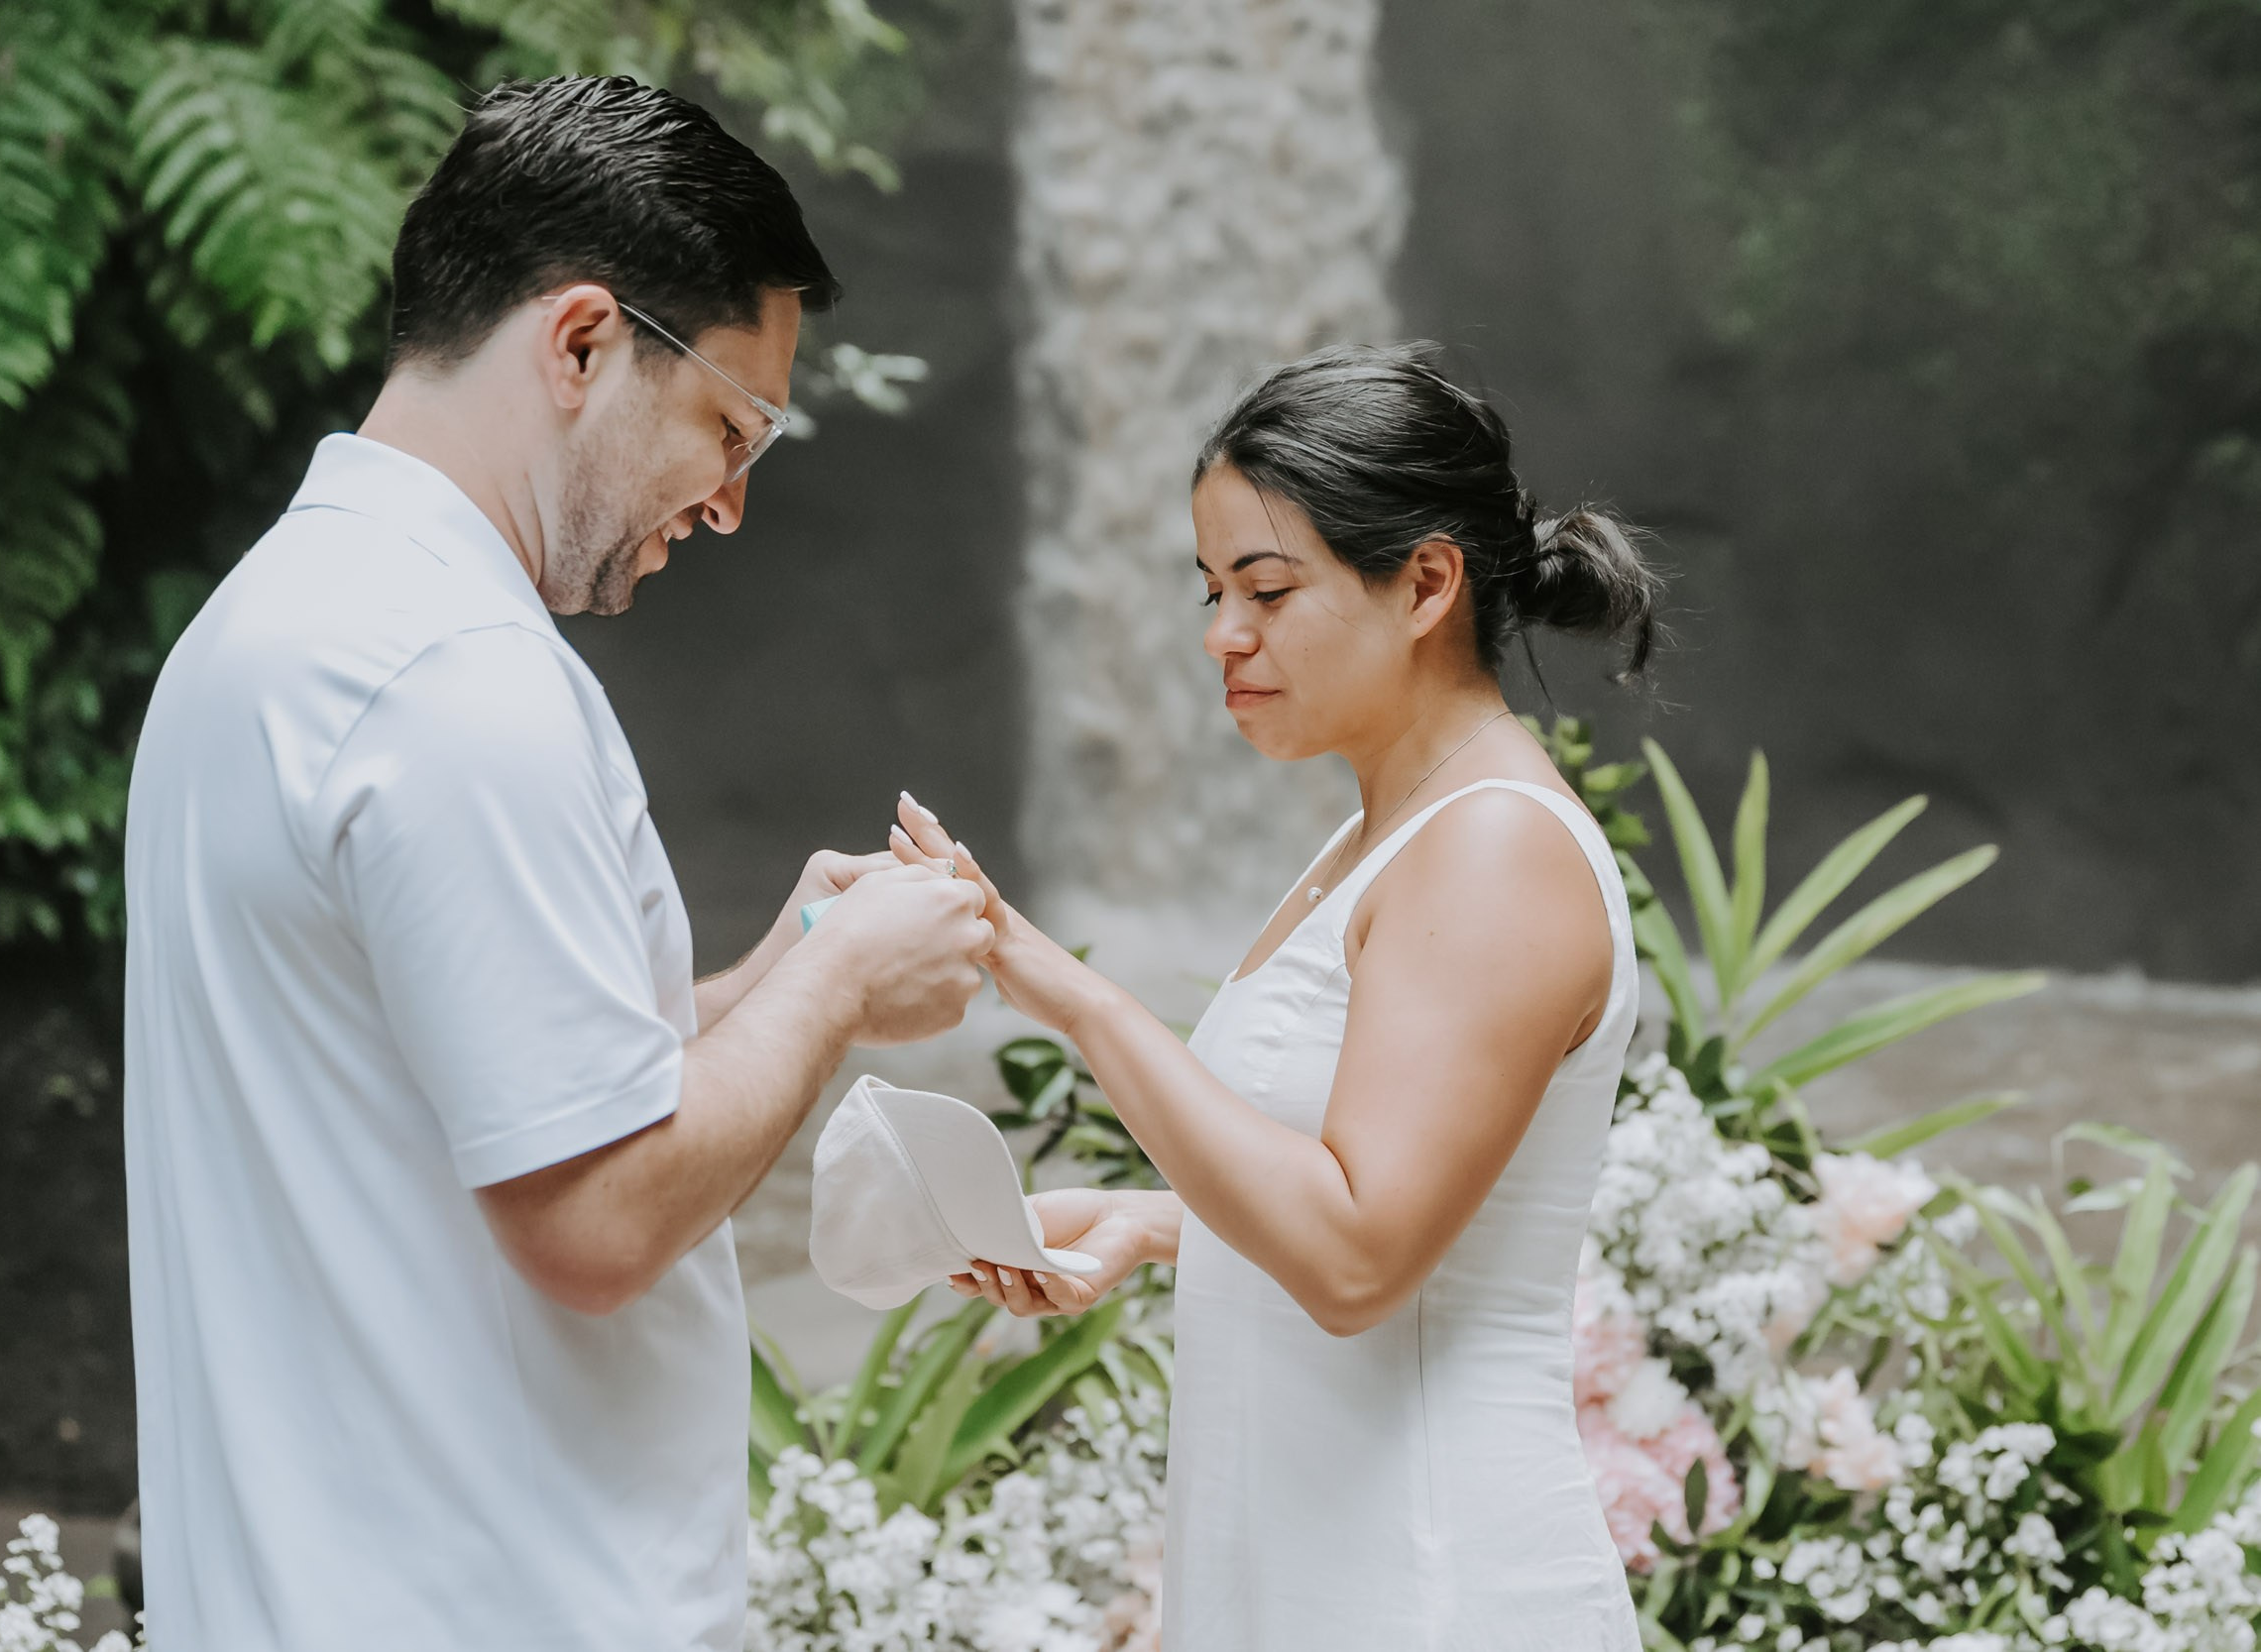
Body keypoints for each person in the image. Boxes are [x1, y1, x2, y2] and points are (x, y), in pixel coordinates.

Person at [122, 76, 993, 1651]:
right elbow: (592, 1220)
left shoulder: (274, 620)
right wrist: (847, 988)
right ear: (584, 341)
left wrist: (781, 969)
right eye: (731, 428)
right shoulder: (459, 679)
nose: (728, 506)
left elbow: (492, 1091)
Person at [896, 343, 1659, 1649]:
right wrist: (1150, 1225)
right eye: (1210, 589)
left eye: (1267, 587)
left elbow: (1362, 1259)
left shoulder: (1493, 850)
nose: (1222, 636)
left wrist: (1071, 999)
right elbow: (1412, 1208)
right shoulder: (1383, 834)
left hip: (1427, 1585)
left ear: (1426, 583)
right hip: (1304, 1570)